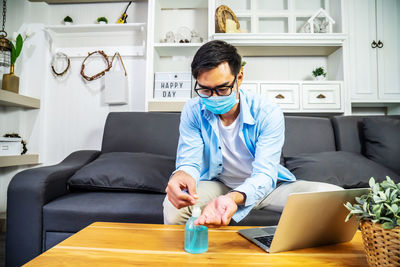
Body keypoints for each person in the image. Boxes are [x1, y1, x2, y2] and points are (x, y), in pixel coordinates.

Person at [163, 40, 342, 226]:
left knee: (335, 198)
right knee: (173, 206)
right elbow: (189, 161)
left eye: (223, 89)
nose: (214, 97)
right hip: (219, 185)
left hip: (268, 189)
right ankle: (185, 254)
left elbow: (265, 175)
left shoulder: (267, 112)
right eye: (206, 90)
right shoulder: (193, 110)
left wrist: (233, 198)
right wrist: (181, 174)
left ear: (239, 77)